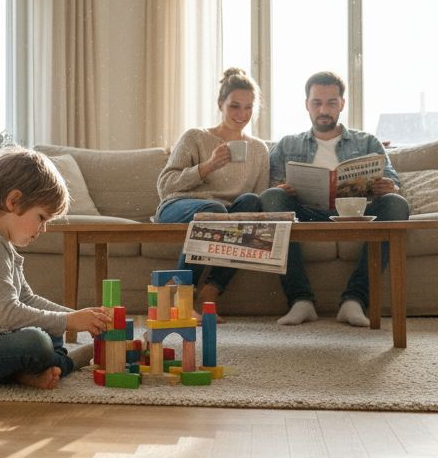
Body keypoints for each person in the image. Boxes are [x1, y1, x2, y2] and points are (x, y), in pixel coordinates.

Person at [0, 147, 110, 389]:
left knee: (47, 328)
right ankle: (69, 361)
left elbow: (27, 298)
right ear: (13, 201)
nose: (43, 229)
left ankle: (30, 372)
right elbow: (10, 314)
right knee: (36, 342)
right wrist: (69, 321)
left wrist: (79, 316)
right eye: (41, 218)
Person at [260, 71, 410, 327]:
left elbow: (392, 179)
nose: (324, 110)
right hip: (306, 213)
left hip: (357, 213)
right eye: (317, 103)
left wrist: (388, 186)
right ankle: (301, 301)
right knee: (272, 198)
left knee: (397, 204)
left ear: (342, 104)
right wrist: (284, 189)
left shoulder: (367, 141)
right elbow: (271, 187)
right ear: (307, 104)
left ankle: (355, 300)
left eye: (331, 103)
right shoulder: (287, 144)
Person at [154, 67, 270, 306]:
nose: (242, 114)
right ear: (220, 104)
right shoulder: (195, 137)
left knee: (251, 205)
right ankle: (181, 300)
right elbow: (165, 187)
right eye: (234, 106)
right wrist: (207, 166)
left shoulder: (259, 150)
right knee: (214, 212)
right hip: (180, 205)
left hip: (225, 215)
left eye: (248, 107)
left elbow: (256, 200)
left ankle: (211, 290)